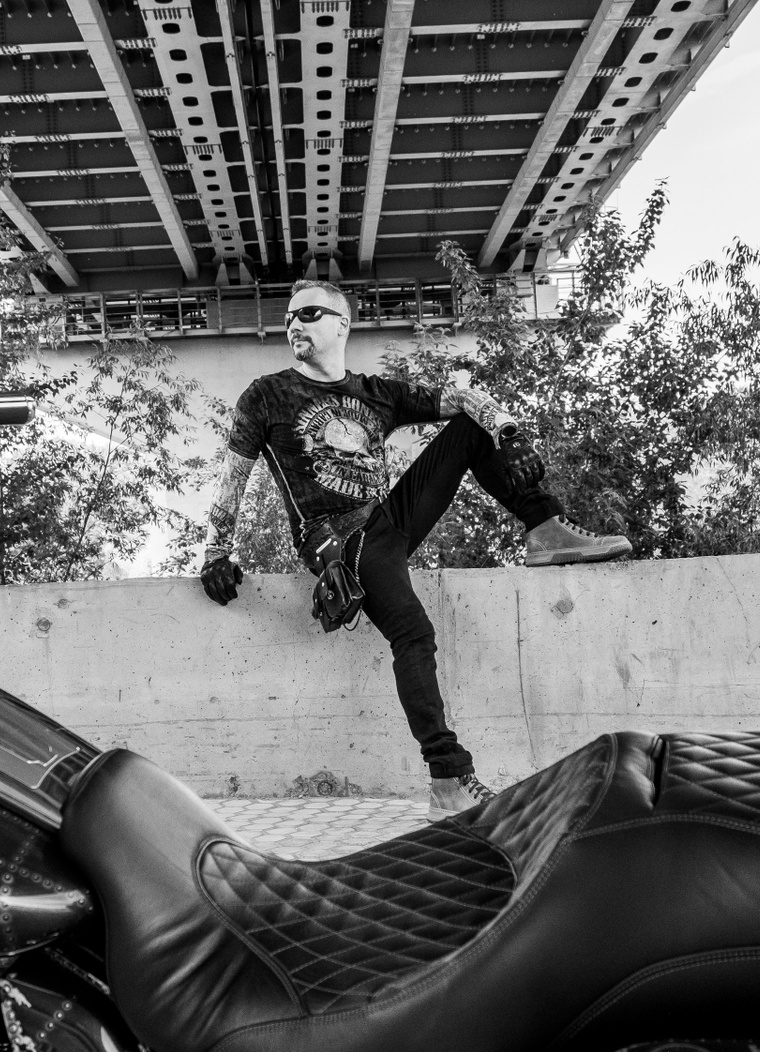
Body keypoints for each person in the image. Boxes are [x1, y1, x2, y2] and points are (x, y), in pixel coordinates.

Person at [199, 280, 631, 821]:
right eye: (288, 317)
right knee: (414, 635)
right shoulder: (268, 395)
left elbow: (462, 397)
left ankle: (544, 530)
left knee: (471, 429)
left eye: (307, 314)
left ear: (341, 323)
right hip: (340, 541)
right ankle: (448, 777)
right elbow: (233, 475)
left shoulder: (375, 392)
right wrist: (215, 552)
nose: (293, 324)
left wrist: (509, 431)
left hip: (389, 520)